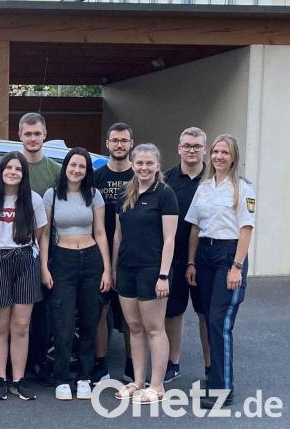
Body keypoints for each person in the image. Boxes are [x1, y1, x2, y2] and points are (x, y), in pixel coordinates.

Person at [185, 134, 255, 409]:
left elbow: (246, 229)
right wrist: (190, 262)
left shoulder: (242, 188)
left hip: (229, 256)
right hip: (204, 254)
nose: (218, 156)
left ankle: (223, 389)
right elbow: (194, 227)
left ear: (233, 156)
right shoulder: (204, 187)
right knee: (205, 316)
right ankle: (213, 378)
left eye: (224, 152)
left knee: (219, 322)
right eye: (215, 151)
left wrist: (236, 266)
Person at [40, 148, 111, 401]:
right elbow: (45, 233)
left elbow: (101, 232)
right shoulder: (52, 195)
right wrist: (44, 267)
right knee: (63, 322)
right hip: (62, 260)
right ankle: (61, 377)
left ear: (87, 170)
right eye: (73, 165)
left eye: (82, 166)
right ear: (66, 167)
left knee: (90, 320)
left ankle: (84, 376)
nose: (77, 170)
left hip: (91, 259)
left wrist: (107, 269)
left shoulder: (93, 194)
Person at [0, 152, 46, 401]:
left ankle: (19, 379)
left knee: (21, 325)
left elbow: (40, 232)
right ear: (1, 171)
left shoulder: (33, 200)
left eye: (18, 169)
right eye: (8, 168)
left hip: (25, 258)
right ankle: (0, 379)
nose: (13, 172)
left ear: (24, 174)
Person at [112, 144, 178, 404]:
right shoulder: (125, 194)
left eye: (149, 163)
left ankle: (157, 386)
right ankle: (138, 382)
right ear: (133, 164)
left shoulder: (165, 194)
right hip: (126, 269)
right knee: (134, 328)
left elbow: (170, 239)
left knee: (154, 328)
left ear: (158, 166)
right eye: (139, 163)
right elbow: (118, 234)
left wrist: (163, 275)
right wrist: (115, 268)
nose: (144, 167)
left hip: (153, 270)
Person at [163, 127, 210, 385]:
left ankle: (210, 367)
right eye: (187, 145)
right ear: (179, 148)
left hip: (207, 259)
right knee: (173, 313)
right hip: (175, 258)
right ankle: (173, 363)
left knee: (206, 313)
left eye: (197, 146)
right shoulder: (167, 178)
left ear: (205, 149)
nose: (192, 150)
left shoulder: (215, 178)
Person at [18, 112, 62, 385]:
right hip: (16, 250)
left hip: (49, 249)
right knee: (21, 312)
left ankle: (41, 361)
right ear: (19, 135)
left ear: (44, 135)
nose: (32, 138)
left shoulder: (56, 171)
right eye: (27, 133)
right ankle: (19, 362)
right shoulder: (11, 166)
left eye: (37, 133)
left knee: (45, 310)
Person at [92, 122, 134, 384]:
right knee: (101, 312)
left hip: (132, 255)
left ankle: (132, 367)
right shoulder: (96, 178)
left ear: (131, 144)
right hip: (99, 253)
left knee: (132, 315)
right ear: (107, 144)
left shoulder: (140, 175)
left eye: (124, 140)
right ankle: (100, 367)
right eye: (114, 140)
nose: (119, 144)